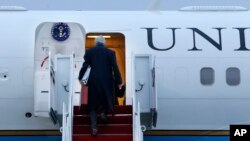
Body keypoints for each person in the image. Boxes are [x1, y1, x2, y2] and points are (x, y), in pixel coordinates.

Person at [78, 35, 122, 136]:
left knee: (92, 102)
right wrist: (119, 81)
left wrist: (80, 77)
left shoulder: (90, 52)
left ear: (95, 42)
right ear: (104, 42)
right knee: (106, 97)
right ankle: (103, 113)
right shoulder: (110, 53)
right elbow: (115, 68)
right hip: (107, 79)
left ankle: (94, 126)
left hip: (93, 79)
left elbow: (85, 66)